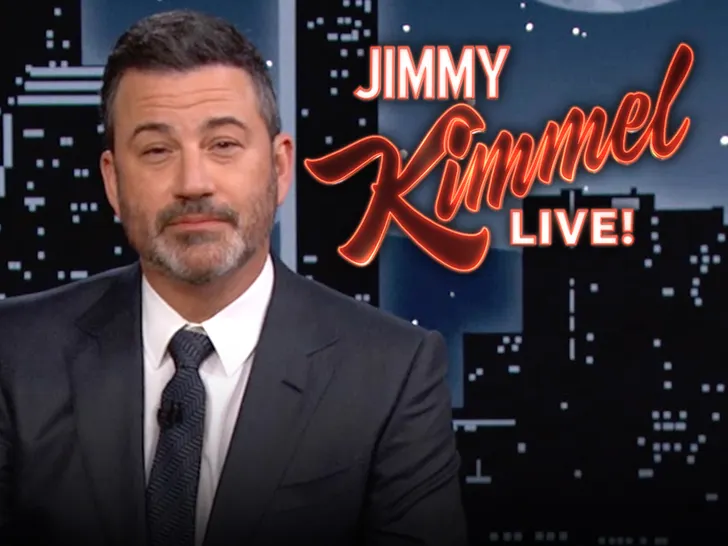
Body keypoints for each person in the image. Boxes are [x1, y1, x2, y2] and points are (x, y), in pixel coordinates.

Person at [0, 10, 467, 546]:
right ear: (113, 182)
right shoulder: (15, 354)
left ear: (279, 167)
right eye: (157, 150)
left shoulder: (392, 373)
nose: (193, 183)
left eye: (223, 144)